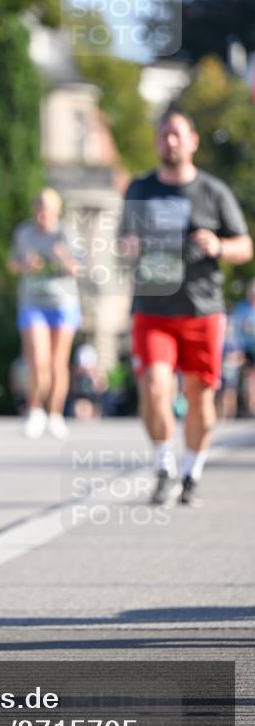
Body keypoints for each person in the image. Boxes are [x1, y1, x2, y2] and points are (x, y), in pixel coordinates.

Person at [119, 110, 252, 506]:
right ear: (157, 141)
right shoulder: (140, 188)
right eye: (164, 134)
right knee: (154, 387)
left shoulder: (213, 192)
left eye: (177, 134)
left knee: (200, 398)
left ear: (193, 141)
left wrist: (219, 246)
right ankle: (164, 467)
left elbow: (245, 246)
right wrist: (128, 247)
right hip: (153, 308)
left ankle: (192, 471)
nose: (171, 141)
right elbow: (124, 239)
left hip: (202, 309)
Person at [8, 188, 82, 438]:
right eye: (39, 209)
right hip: (33, 303)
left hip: (63, 303)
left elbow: (77, 269)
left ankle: (55, 414)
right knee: (38, 361)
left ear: (57, 211)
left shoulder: (67, 233)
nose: (43, 215)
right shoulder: (24, 233)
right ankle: (35, 410)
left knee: (57, 362)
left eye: (48, 210)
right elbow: (12, 264)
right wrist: (25, 265)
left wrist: (63, 257)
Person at [231, 279, 255, 416]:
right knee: (248, 378)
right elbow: (235, 329)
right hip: (245, 348)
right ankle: (249, 408)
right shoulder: (241, 308)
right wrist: (237, 348)